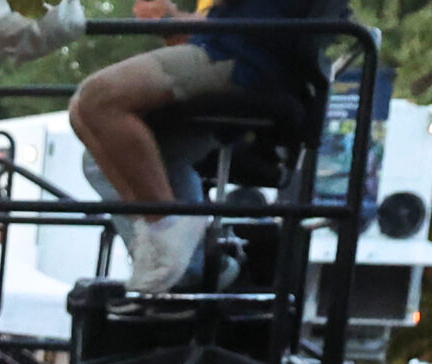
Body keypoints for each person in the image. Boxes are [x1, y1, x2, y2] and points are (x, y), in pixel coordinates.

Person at [68, 0, 343, 295]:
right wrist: (175, 19)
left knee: (99, 98)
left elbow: (247, 30)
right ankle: (165, 250)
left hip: (247, 62)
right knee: (82, 111)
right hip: (236, 50)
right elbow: (222, 25)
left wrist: (176, 19)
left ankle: (166, 235)